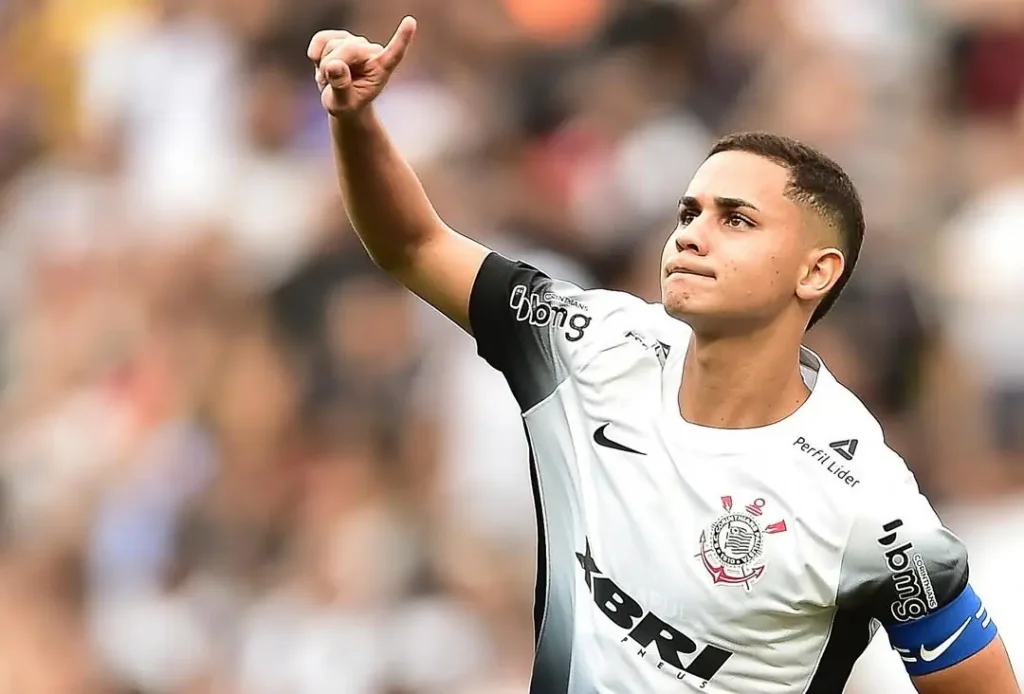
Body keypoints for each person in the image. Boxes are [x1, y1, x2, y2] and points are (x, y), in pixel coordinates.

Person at [305, 17, 1020, 694]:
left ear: (815, 272)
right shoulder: (590, 344)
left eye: (736, 219)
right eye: (688, 212)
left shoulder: (865, 503)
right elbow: (415, 245)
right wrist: (355, 121)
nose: (691, 235)